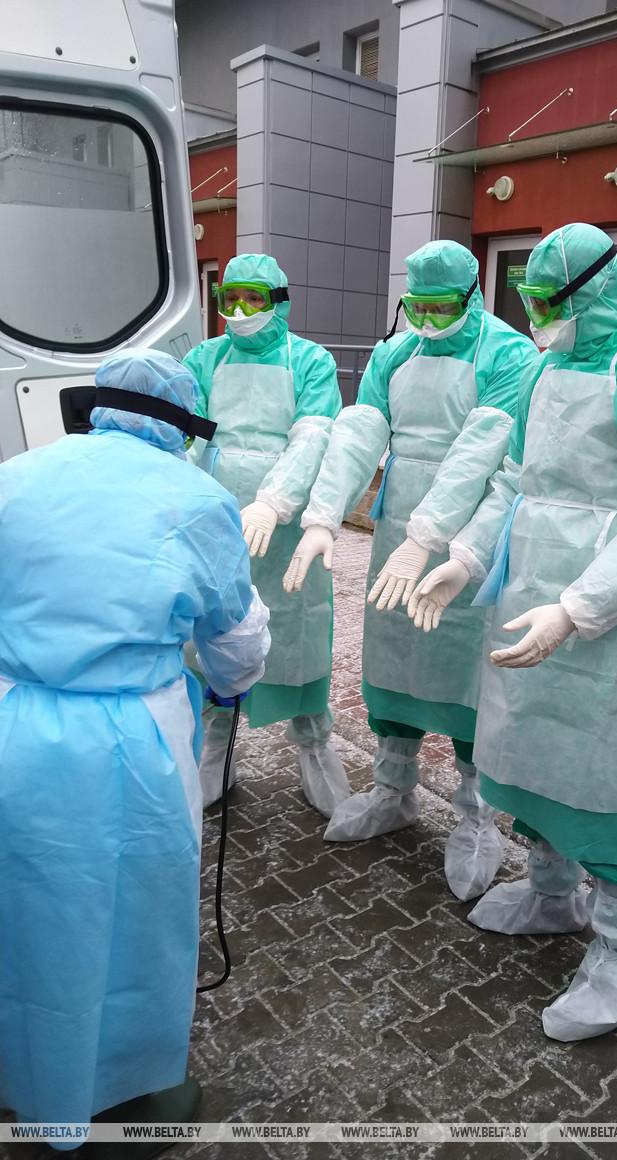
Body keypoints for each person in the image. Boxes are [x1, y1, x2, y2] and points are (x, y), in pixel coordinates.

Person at [408, 225, 617, 1040]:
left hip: (609, 621)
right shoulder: (544, 370)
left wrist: (577, 608)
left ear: (594, 290)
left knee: (606, 780)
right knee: (530, 751)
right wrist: (466, 558)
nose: (536, 316)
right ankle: (551, 891)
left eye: (548, 301)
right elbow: (515, 481)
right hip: (527, 594)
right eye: (530, 300)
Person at [0, 350, 270, 1148]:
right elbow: (235, 648)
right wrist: (231, 683)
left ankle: (26, 1074)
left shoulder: (16, 475)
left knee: (23, 905)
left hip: (12, 719)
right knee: (130, 921)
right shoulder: (199, 500)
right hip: (129, 743)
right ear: (182, 425)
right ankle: (118, 1090)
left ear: (94, 407)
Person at [284, 240, 538, 901]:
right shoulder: (393, 353)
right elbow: (359, 435)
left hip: (470, 533)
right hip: (398, 527)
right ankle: (393, 789)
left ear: (472, 295)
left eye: (440, 307)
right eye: (415, 307)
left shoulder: (507, 353)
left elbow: (482, 454)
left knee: (464, 672)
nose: (426, 320)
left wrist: (432, 538)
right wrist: (322, 516)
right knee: (394, 656)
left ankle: (477, 816)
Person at [184, 253, 348, 815]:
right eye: (230, 299)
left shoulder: (310, 360)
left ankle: (314, 744)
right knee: (214, 627)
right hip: (216, 515)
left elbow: (315, 437)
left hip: (287, 521)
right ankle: (217, 745)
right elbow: (189, 434)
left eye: (253, 298)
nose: (240, 310)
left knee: (298, 627)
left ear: (280, 302)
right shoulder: (205, 357)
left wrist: (273, 502)